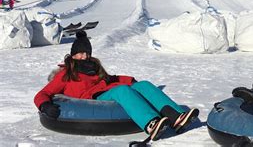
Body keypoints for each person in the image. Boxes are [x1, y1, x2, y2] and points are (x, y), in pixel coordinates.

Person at [34, 31, 199, 141]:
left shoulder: (94, 68)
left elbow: (111, 79)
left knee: (144, 85)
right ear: (73, 54)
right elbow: (43, 93)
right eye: (80, 53)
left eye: (87, 53)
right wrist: (45, 105)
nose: (84, 56)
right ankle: (151, 123)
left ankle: (176, 117)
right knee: (122, 91)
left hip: (105, 92)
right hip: (92, 99)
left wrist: (130, 80)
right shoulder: (66, 73)